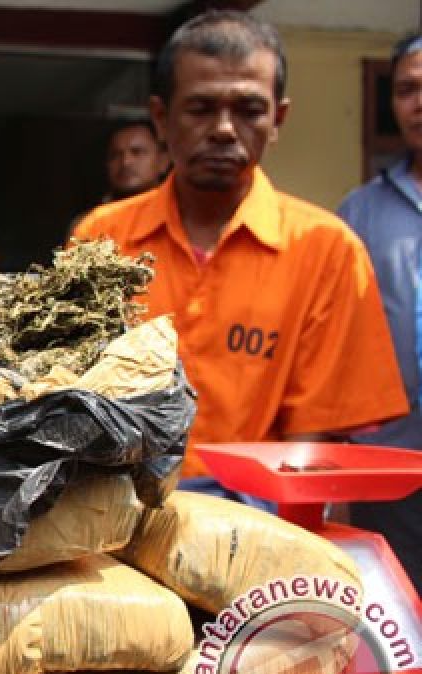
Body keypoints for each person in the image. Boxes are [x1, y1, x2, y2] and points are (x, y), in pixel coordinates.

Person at [73, 10, 408, 492]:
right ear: (162, 118)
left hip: (263, 511)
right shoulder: (101, 238)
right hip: (115, 505)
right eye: (201, 108)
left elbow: (315, 437)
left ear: (278, 119)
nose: (225, 129)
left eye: (249, 110)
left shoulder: (326, 250)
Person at [337, 31, 422, 585]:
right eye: (407, 89)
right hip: (387, 464)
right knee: (398, 621)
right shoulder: (358, 211)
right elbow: (335, 341)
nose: (420, 101)